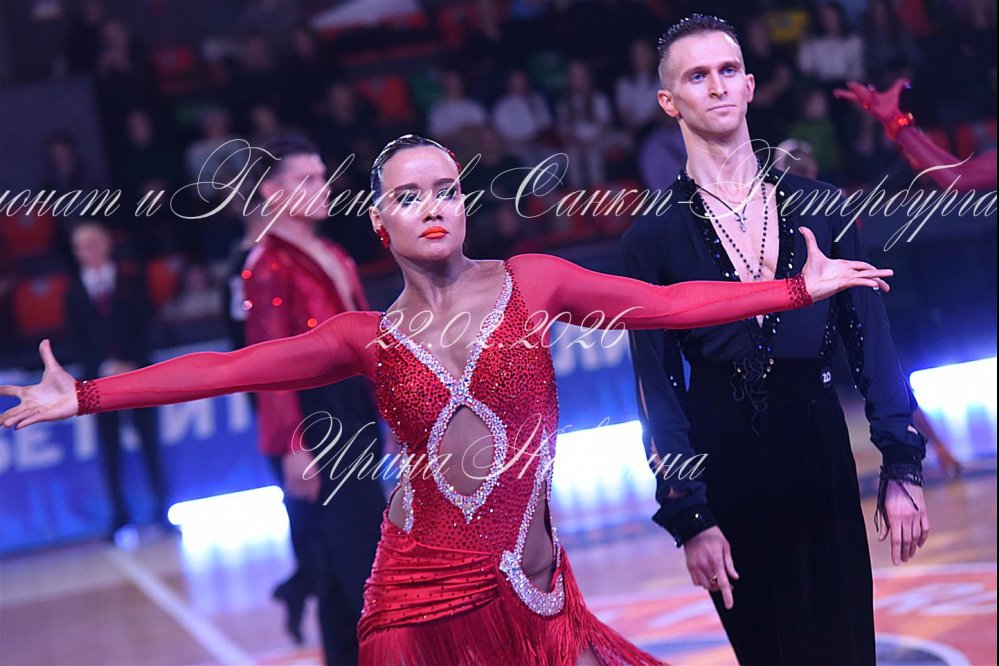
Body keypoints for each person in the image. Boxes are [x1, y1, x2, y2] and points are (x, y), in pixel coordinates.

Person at [2, 134, 893, 666]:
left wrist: (794, 290)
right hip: (418, 603)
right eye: (407, 196)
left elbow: (665, 305)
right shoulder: (362, 336)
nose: (431, 206)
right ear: (379, 222)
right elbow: (227, 369)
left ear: (464, 206)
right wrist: (85, 395)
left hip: (540, 591)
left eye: (445, 190)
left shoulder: (534, 281)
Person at [622, 15, 929, 666]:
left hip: (819, 449)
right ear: (668, 101)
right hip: (724, 468)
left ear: (750, 84)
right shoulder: (652, 236)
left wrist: (901, 465)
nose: (716, 86)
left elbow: (871, 345)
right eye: (697, 76)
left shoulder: (822, 205)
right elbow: (656, 389)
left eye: (728, 70)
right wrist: (687, 512)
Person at [236, 135, 386, 661]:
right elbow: (269, 361)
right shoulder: (268, 266)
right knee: (358, 555)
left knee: (344, 558)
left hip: (353, 407)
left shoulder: (334, 253)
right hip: (317, 417)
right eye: (306, 179)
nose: (323, 187)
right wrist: (293, 444)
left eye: (322, 176)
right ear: (272, 192)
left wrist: (387, 408)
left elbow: (367, 341)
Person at [65, 221, 169, 538]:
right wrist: (103, 366)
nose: (87, 252)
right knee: (109, 448)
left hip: (137, 375)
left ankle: (162, 508)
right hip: (98, 382)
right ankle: (119, 515)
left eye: (92, 244)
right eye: (81, 247)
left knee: (150, 441)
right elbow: (77, 340)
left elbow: (146, 325)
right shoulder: (73, 292)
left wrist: (130, 362)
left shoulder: (130, 281)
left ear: (106, 245)